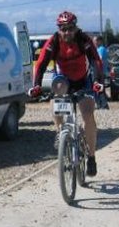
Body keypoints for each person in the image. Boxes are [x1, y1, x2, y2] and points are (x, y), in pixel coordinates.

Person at [28, 11, 104, 176]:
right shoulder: (54, 41)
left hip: (83, 81)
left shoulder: (83, 39)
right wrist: (36, 85)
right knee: (55, 100)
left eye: (70, 28)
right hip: (63, 81)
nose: (67, 32)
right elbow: (41, 64)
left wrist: (98, 81)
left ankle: (91, 157)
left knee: (88, 115)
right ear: (59, 29)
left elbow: (95, 60)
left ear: (75, 28)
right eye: (63, 29)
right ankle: (60, 132)